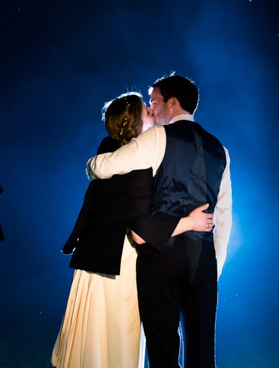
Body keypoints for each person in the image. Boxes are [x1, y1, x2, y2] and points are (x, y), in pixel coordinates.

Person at [53, 93, 214, 368]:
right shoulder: (137, 166)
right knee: (114, 344)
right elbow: (140, 229)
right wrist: (189, 222)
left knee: (91, 344)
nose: (153, 112)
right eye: (148, 112)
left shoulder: (108, 147)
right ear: (137, 124)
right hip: (118, 264)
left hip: (93, 261)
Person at [86, 74, 231, 368]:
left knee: (162, 351)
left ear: (172, 103)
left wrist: (91, 164)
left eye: (154, 102)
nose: (152, 109)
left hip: (160, 255)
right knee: (203, 355)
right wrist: (213, 266)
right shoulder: (221, 150)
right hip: (202, 259)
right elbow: (223, 217)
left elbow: (107, 167)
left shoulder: (157, 137)